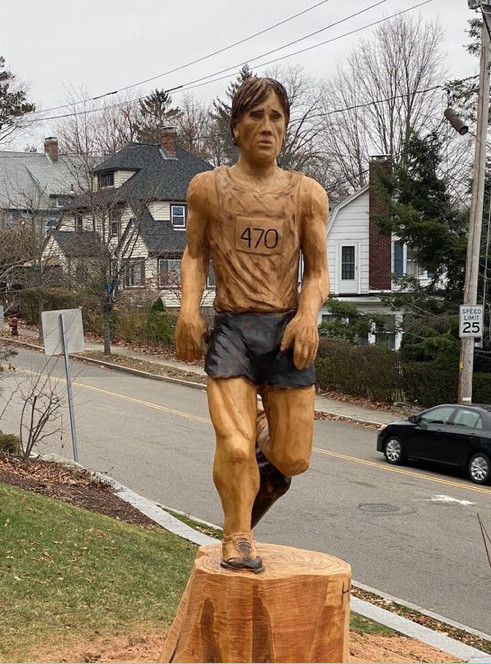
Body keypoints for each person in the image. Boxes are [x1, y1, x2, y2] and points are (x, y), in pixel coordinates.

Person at [175, 77, 330, 573]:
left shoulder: (307, 194)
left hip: (285, 331)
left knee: (293, 459)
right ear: (236, 128)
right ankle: (238, 534)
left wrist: (308, 315)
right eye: (255, 116)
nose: (266, 126)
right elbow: (194, 254)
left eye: (275, 117)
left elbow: (319, 273)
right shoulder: (208, 189)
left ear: (286, 127)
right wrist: (188, 309)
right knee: (237, 448)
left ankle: (260, 423)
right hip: (234, 332)